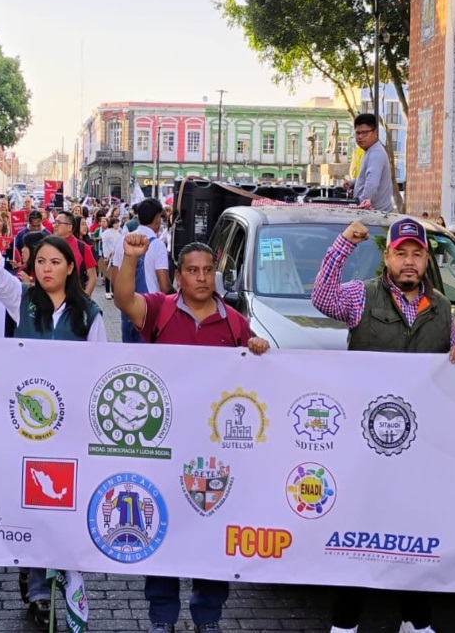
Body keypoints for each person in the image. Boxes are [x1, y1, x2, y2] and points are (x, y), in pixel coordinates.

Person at [312, 218, 455, 633]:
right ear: (387, 258)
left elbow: (452, 348)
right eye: (401, 253)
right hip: (364, 443)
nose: (409, 262)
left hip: (417, 445)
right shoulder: (361, 298)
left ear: (426, 261)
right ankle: (344, 623)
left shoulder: (442, 308)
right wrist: (345, 242)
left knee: (413, 531)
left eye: (417, 254)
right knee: (358, 532)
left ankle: (416, 621)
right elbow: (322, 296)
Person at [112, 237, 269, 633]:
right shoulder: (160, 310)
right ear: (178, 276)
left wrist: (258, 350)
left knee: (211, 533)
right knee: (162, 531)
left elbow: (250, 383)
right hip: (164, 446)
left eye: (207, 270)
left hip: (214, 451)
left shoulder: (235, 323)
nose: (201, 278)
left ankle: (208, 616)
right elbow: (122, 299)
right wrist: (130, 259)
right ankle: (161, 616)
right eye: (192, 271)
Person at [0, 215, 104, 630]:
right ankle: (36, 586)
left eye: (55, 262)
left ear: (71, 266)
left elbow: (99, 372)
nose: (46, 269)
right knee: (33, 500)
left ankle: (59, 575)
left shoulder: (89, 314)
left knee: (62, 504)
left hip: (69, 430)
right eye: (40, 262)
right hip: (27, 425)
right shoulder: (24, 302)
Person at [110, 198, 172, 342]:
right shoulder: (157, 245)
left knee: (130, 356)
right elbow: (164, 286)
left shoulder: (123, 242)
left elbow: (114, 281)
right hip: (150, 311)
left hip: (126, 310)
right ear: (157, 219)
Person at [352, 113, 394, 212]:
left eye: (365, 133)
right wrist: (353, 183)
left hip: (376, 216)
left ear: (375, 133)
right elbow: (368, 178)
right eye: (358, 133)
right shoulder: (370, 151)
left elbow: (372, 183)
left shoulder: (376, 153)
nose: (360, 137)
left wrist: (360, 204)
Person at [52, 210, 97, 296]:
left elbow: (92, 277)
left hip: (74, 298)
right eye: (54, 222)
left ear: (69, 227)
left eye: (58, 223)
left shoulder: (82, 247)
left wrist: (84, 298)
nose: (54, 226)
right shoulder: (49, 245)